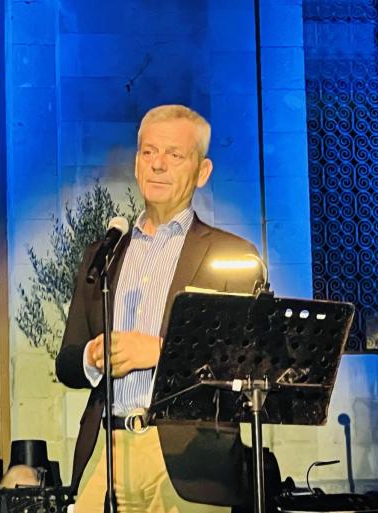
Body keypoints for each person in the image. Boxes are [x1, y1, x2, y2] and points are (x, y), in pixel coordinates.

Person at [56, 104, 263, 513]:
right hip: (107, 450)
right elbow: (66, 363)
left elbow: (248, 363)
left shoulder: (233, 256)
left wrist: (160, 352)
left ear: (202, 171)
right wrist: (92, 357)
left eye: (175, 154)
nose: (158, 164)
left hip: (191, 459)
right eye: (148, 152)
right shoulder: (104, 254)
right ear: (136, 164)